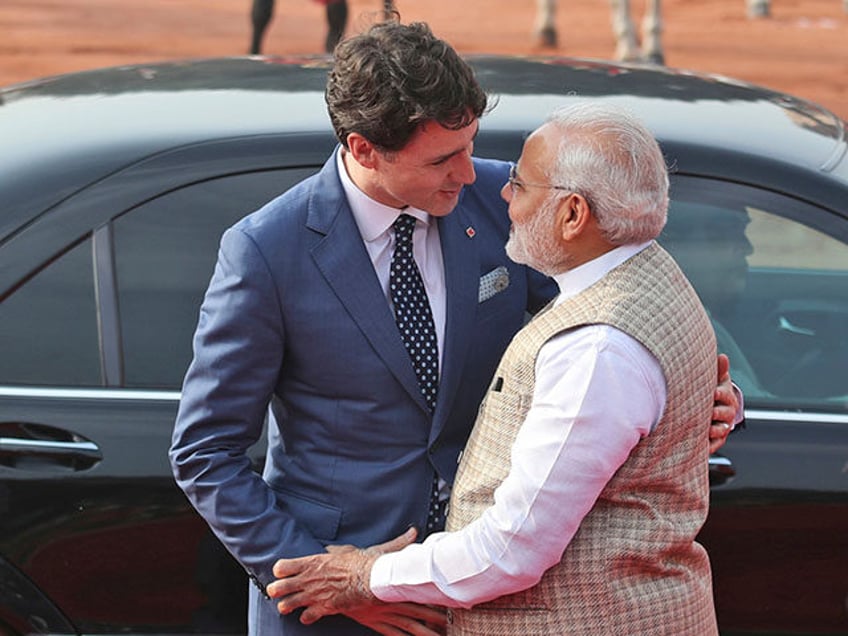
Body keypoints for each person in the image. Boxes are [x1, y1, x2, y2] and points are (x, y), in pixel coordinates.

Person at [170, 21, 739, 636]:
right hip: (335, 604)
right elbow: (206, 453)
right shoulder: (265, 251)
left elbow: (611, 316)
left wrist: (704, 400)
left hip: (484, 592)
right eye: (443, 158)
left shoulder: (508, 198)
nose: (470, 174)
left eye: (470, 144)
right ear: (364, 149)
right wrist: (327, 583)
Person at [266, 102, 722, 635]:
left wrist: (365, 574)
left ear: (573, 214)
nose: (498, 194)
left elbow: (510, 549)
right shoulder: (648, 273)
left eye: (521, 185)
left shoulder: (597, 351)